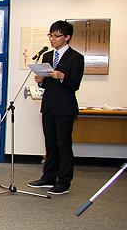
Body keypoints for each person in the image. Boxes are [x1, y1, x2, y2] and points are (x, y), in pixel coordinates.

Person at [29, 20, 85, 195]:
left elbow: (74, 84)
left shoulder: (76, 58)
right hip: (48, 106)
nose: (52, 39)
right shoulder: (47, 56)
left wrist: (61, 76)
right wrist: (41, 81)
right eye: (50, 35)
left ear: (67, 37)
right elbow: (48, 85)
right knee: (50, 144)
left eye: (56, 36)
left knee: (64, 144)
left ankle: (64, 181)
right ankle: (48, 177)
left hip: (65, 108)